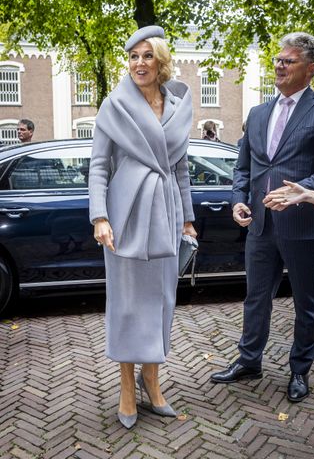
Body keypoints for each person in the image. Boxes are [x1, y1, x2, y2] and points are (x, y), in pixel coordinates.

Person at [89, 25, 197, 429]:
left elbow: (181, 168)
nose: (138, 63)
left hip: (166, 214)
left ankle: (152, 383)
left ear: (161, 61)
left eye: (147, 55)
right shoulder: (113, 105)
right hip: (125, 215)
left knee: (162, 302)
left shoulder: (177, 107)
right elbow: (99, 166)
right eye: (132, 56)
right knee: (128, 303)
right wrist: (99, 216)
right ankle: (125, 388)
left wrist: (187, 218)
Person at [210, 32, 314, 403]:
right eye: (277, 59)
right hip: (259, 225)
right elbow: (244, 167)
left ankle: (300, 370)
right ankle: (249, 360)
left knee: (308, 302)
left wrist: (300, 189)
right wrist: (238, 200)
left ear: (311, 69)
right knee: (256, 297)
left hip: (305, 226)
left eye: (288, 61)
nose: (279, 65)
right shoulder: (257, 113)